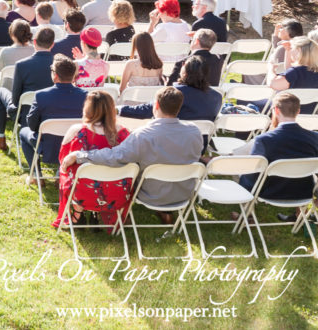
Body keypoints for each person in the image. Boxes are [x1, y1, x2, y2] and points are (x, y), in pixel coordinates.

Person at [61, 87, 204, 214]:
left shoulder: (143, 135)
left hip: (151, 194)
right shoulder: (195, 132)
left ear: (156, 105)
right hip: (184, 194)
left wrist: (80, 154)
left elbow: (114, 156)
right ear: (179, 107)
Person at [53, 91, 133, 228]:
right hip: (116, 194)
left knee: (68, 170)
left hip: (83, 193)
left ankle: (78, 212)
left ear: (87, 109)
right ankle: (96, 212)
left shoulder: (77, 131)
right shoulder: (124, 133)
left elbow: (63, 160)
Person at [238, 92, 318, 201]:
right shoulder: (315, 137)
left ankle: (247, 215)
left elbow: (254, 173)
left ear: (276, 110)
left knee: (244, 172)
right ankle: (299, 215)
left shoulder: (264, 140)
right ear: (298, 111)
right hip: (304, 192)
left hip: (270, 193)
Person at [0, 27, 58, 152]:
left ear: (34, 42)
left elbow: (16, 99)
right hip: (51, 111)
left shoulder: (22, 64)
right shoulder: (59, 63)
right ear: (52, 44)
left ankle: (1, 138)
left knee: (0, 91)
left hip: (25, 113)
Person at [19, 55, 87, 170]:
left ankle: (36, 175)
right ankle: (61, 172)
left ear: (55, 75)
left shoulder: (41, 95)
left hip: (47, 146)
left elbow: (31, 124)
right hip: (75, 145)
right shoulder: (86, 95)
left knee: (23, 132)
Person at [122, 55, 221, 125]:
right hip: (198, 145)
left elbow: (147, 110)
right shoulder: (217, 97)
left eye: (184, 65)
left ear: (185, 73)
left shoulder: (175, 93)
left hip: (172, 141)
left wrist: (119, 109)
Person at [270, 36, 318, 113]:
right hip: (309, 115)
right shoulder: (306, 72)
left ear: (299, 51)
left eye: (292, 48)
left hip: (286, 114)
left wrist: (270, 69)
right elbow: (289, 72)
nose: (291, 50)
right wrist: (288, 51)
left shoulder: (295, 73)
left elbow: (273, 84)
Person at [0, 20, 34, 91]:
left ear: (12, 35)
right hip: (29, 89)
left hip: (9, 89)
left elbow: (0, 71)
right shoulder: (35, 51)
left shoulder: (5, 51)